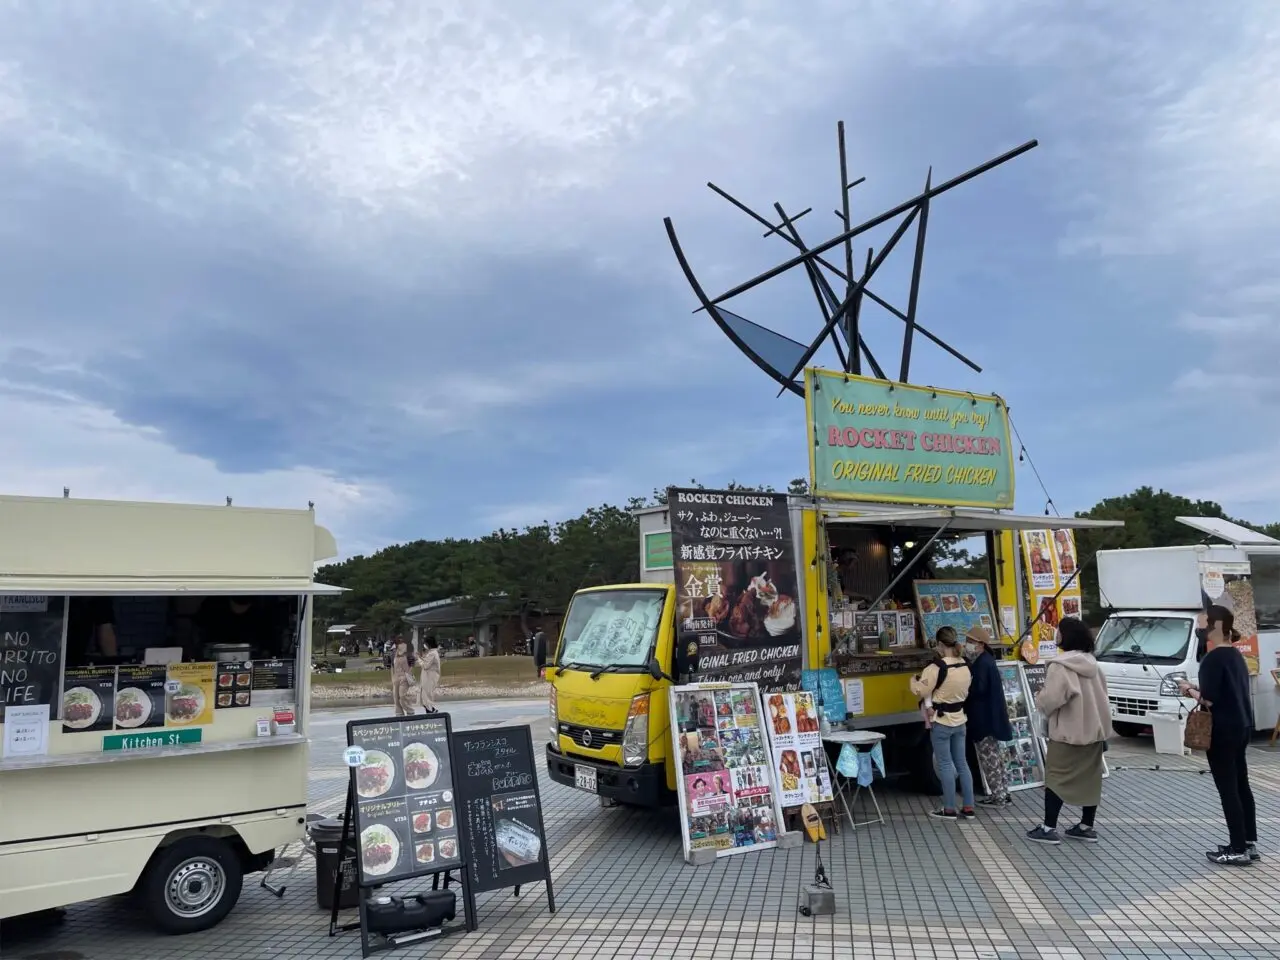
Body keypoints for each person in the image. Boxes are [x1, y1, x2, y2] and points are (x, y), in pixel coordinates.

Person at [1179, 605, 1259, 866]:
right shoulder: (1235, 656)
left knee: (1228, 789)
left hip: (1222, 730)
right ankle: (1248, 843)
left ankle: (1236, 848)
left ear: (1214, 625)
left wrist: (1189, 689)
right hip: (1243, 725)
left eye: (1202, 625)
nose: (1200, 630)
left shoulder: (1212, 659)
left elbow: (1210, 700)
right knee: (1241, 785)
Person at [1027, 617, 1113, 845]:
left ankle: (1048, 828)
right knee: (1090, 779)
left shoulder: (1060, 666)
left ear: (1066, 636)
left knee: (1055, 778)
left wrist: (1039, 697)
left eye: (1059, 631)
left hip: (1068, 733)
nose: (1056, 634)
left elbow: (1052, 699)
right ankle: (1085, 826)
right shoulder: (1092, 663)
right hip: (1094, 732)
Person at [910, 627, 974, 820]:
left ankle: (949, 808)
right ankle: (969, 807)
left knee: (945, 765)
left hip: (942, 721)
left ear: (939, 645)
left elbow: (920, 691)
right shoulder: (965, 665)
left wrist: (913, 681)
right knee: (962, 764)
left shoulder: (935, 668)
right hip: (960, 719)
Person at [964, 625, 1014, 806]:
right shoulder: (987, 660)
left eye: (970, 642)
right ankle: (1003, 793)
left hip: (983, 718)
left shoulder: (981, 664)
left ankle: (998, 796)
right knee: (996, 757)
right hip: (991, 718)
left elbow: (978, 689)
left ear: (980, 644)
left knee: (989, 759)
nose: (967, 645)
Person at [390, 637, 416, 717]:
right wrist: (392, 677)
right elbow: (391, 666)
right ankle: (399, 712)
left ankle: (410, 710)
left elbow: (412, 665)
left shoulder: (408, 654)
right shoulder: (393, 653)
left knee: (402, 695)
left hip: (405, 677)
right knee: (396, 696)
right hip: (396, 677)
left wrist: (407, 675)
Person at [419, 635, 442, 714]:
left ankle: (430, 711)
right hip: (428, 676)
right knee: (424, 695)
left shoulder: (432, 653)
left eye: (425, 643)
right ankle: (431, 710)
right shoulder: (431, 652)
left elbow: (425, 665)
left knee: (426, 695)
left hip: (430, 676)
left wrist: (418, 659)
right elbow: (426, 661)